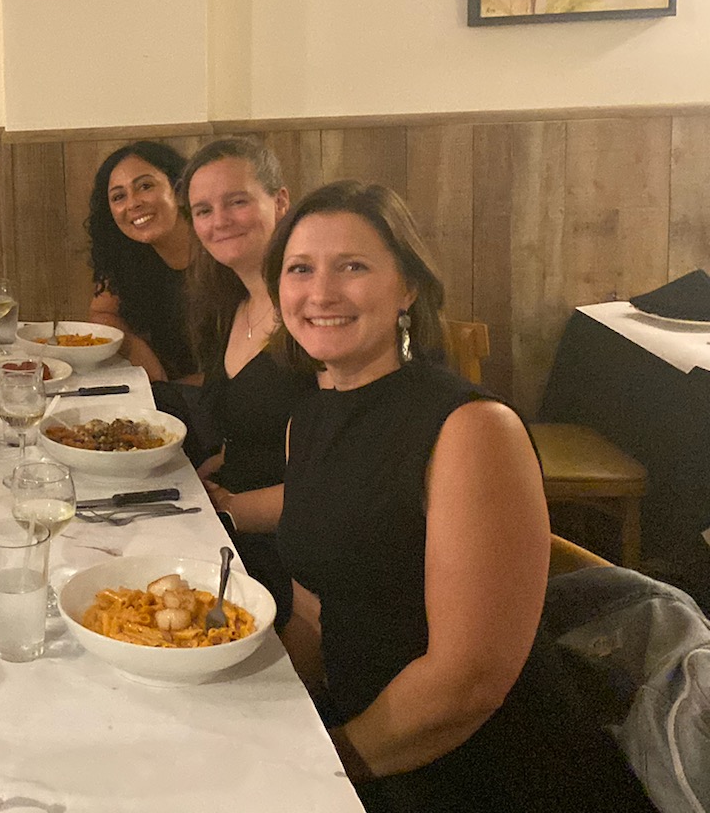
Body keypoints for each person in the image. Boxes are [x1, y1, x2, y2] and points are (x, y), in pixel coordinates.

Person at [266, 181, 650, 813]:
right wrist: (256, 711)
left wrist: (324, 766)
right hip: (366, 732)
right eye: (300, 269)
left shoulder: (471, 428)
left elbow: (467, 684)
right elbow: (311, 615)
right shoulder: (306, 421)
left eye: (353, 267)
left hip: (482, 769)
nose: (321, 293)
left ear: (408, 288)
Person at [181, 138, 309, 628]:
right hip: (230, 523)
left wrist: (228, 508)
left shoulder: (314, 315)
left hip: (290, 551)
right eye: (203, 210)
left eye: (237, 201)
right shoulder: (228, 305)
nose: (219, 221)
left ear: (280, 201)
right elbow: (246, 427)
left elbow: (335, 480)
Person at [85, 141, 199, 382]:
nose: (133, 203)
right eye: (119, 197)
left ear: (180, 192)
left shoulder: (220, 247)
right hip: (167, 391)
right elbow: (102, 314)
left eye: (145, 186)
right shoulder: (127, 253)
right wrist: (133, 346)